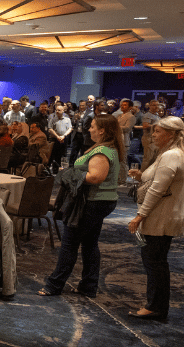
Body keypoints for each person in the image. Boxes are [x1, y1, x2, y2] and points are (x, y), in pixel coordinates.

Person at [40, 114, 123, 298]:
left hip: (91, 202)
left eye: (93, 126)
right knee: (90, 244)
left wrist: (70, 175)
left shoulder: (102, 151)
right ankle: (88, 286)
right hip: (99, 201)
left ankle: (54, 285)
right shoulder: (106, 148)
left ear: (102, 130)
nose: (89, 129)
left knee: (69, 244)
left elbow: (95, 177)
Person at [125, 116, 184, 321]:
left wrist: (139, 216)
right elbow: (159, 181)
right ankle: (156, 306)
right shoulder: (167, 154)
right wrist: (141, 177)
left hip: (161, 217)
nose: (153, 135)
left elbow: (157, 190)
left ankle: (155, 307)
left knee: (155, 262)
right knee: (156, 261)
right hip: (162, 214)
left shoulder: (171, 156)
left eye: (158, 132)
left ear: (172, 134)